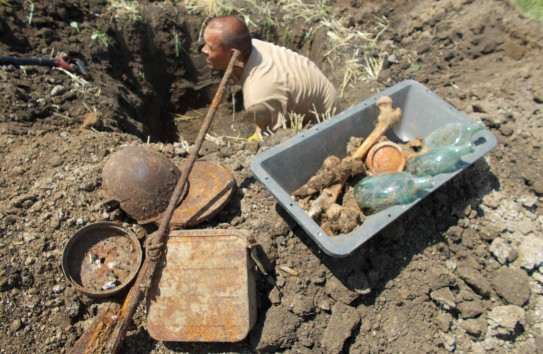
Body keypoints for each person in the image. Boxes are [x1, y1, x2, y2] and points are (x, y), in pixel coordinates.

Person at [201, 15, 339, 141]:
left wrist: (259, 137)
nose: (203, 50)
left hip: (326, 125)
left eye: (211, 48)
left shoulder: (258, 96)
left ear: (233, 55)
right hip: (317, 97)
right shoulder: (250, 46)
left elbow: (274, 141)